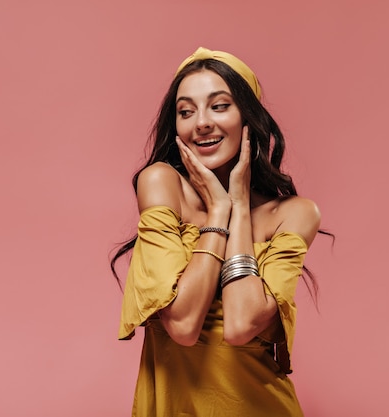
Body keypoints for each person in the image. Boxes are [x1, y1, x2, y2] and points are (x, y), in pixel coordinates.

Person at [111, 46, 322, 416]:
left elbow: (241, 325)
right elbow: (182, 324)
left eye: (219, 106)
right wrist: (219, 210)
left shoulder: (294, 214)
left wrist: (238, 207)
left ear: (248, 117)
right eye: (186, 112)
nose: (201, 123)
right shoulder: (161, 183)